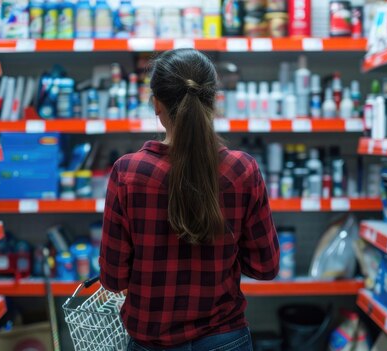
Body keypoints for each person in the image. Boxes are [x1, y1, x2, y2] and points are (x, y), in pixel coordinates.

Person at [100, 48, 280, 351]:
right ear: (212, 102)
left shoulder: (129, 173)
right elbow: (266, 267)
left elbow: (114, 278)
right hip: (225, 339)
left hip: (151, 341)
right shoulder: (241, 170)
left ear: (156, 104)